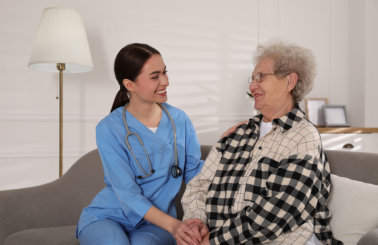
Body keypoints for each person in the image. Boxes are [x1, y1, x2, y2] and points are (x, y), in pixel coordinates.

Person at [182, 40, 341, 245]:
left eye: (261, 77)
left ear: (290, 82)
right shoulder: (237, 134)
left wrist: (214, 240)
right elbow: (200, 185)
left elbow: (279, 209)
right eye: (253, 77)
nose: (252, 85)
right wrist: (195, 223)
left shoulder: (303, 137)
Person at [77, 43, 205, 245]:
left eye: (165, 73)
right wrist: (175, 226)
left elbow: (196, 175)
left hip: (158, 223)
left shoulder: (179, 120)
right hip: (108, 216)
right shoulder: (109, 128)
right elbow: (127, 193)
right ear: (130, 85)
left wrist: (226, 146)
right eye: (155, 77)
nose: (166, 81)